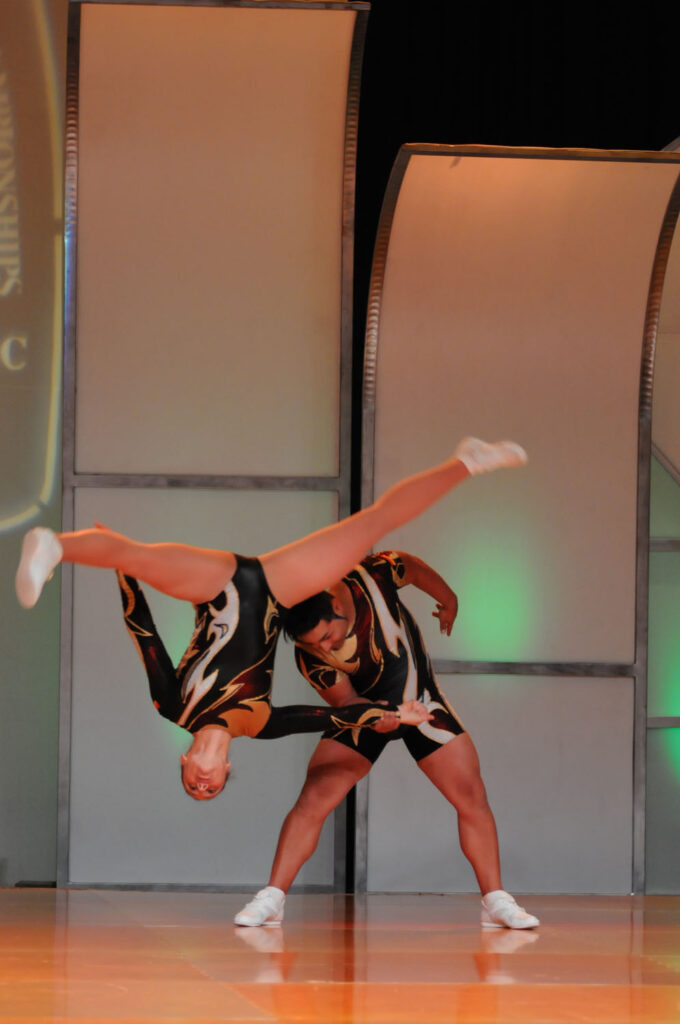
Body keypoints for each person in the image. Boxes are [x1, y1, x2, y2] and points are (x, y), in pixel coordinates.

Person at [15, 436, 527, 802]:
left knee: (136, 555)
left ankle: (54, 546)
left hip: (219, 589)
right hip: (277, 589)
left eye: (194, 786)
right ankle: (467, 461)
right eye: (212, 789)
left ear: (185, 762)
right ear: (226, 769)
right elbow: (332, 717)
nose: (203, 784)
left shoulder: (171, 706)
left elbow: (143, 631)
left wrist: (123, 569)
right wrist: (396, 715)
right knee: (371, 526)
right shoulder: (259, 724)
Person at [233, 549, 539, 931]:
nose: (324, 648)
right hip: (368, 713)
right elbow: (347, 703)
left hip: (423, 702)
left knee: (471, 794)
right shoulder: (309, 656)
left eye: (326, 636)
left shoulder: (375, 575)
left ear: (335, 606)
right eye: (315, 644)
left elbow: (414, 569)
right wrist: (380, 718)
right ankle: (272, 898)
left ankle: (495, 900)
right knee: (314, 796)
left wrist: (449, 599)